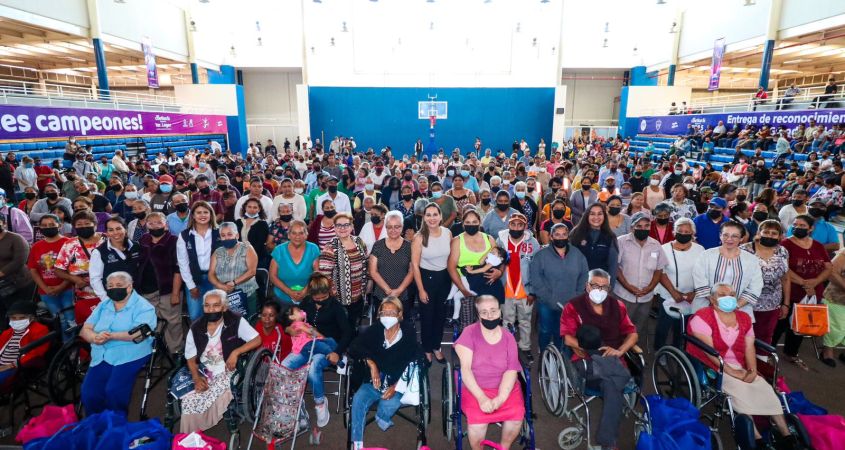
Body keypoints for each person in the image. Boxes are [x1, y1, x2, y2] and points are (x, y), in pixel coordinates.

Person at [687, 283, 803, 450]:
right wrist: (732, 372)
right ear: (712, 299)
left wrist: (752, 371)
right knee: (738, 390)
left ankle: (787, 436)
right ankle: (756, 439)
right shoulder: (702, 317)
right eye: (722, 294)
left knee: (764, 388)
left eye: (732, 294)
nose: (728, 297)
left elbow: (749, 347)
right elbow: (710, 352)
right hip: (715, 365)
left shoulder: (744, 318)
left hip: (739, 364)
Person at [560, 269, 639, 450]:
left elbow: (633, 334)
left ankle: (607, 441)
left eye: (604, 287)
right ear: (587, 286)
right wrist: (587, 349)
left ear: (609, 289)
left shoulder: (618, 306)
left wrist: (619, 351)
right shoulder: (573, 306)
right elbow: (568, 338)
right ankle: (608, 442)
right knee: (615, 382)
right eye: (595, 285)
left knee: (611, 384)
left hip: (614, 358)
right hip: (586, 359)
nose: (599, 290)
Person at [180, 289, 261, 433]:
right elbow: (190, 357)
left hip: (228, 369)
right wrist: (196, 377)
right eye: (207, 306)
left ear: (224, 307)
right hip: (203, 370)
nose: (211, 310)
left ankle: (198, 429)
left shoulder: (235, 321)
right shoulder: (196, 327)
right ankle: (190, 436)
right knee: (188, 399)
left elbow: (257, 339)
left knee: (210, 394)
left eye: (216, 305)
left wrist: (236, 352)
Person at [453, 295, 524, 450]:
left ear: (500, 312)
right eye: (484, 312)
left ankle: (504, 447)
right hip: (474, 386)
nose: (490, 315)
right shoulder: (469, 333)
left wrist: (501, 398)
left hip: (504, 386)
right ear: (478, 315)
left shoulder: (508, 337)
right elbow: (465, 370)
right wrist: (481, 397)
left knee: (516, 414)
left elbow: (511, 370)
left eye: (493, 310)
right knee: (478, 421)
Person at [348, 297, 421, 450]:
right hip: (374, 381)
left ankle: (382, 418)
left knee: (388, 405)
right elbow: (354, 347)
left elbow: (415, 361)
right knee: (358, 400)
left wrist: (396, 386)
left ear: (400, 314)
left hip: (398, 381)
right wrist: (371, 363)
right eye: (384, 312)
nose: (387, 316)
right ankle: (357, 445)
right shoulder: (375, 329)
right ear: (379, 314)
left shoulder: (408, 332)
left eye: (392, 312)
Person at [80, 271, 156, 415]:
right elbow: (85, 329)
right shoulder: (103, 305)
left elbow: (140, 333)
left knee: (113, 390)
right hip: (101, 353)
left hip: (130, 352)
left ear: (129, 287)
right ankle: (97, 422)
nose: (114, 288)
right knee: (89, 392)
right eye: (110, 286)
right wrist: (94, 338)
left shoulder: (143, 307)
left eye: (119, 285)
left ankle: (116, 422)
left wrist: (111, 336)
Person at [289, 272, 354, 427]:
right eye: (316, 298)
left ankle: (320, 403)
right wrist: (289, 329)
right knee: (286, 366)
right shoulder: (306, 302)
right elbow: (290, 319)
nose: (320, 301)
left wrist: (337, 352)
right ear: (311, 295)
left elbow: (348, 333)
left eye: (324, 297)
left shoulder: (336, 307)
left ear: (329, 292)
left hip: (327, 347)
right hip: (305, 344)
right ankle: (296, 404)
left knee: (313, 367)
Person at [773, 215, 831, 371]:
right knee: (780, 324)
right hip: (789, 292)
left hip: (812, 294)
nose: (797, 227)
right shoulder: (785, 244)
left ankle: (791, 353)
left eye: (802, 225)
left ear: (811, 228)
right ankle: (767, 353)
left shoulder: (818, 246)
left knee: (801, 325)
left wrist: (815, 282)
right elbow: (784, 268)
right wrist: (805, 283)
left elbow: (828, 267)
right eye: (795, 224)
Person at [529, 223, 589, 350]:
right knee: (545, 329)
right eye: (557, 234)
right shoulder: (541, 255)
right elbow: (535, 278)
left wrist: (577, 295)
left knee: (562, 331)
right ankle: (544, 353)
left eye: (564, 234)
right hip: (546, 302)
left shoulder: (577, 254)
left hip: (569, 302)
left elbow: (584, 274)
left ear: (568, 236)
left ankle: (559, 354)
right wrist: (547, 297)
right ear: (551, 237)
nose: (561, 237)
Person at [693, 221, 763, 321]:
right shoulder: (706, 255)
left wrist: (736, 306)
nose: (729, 239)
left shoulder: (752, 260)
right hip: (707, 308)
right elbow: (700, 281)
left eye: (735, 236)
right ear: (720, 236)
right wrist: (716, 304)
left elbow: (755, 286)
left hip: (739, 310)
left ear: (741, 238)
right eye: (725, 235)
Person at [614, 212, 668, 337]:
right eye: (639, 226)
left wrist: (650, 287)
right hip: (624, 296)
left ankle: (634, 348)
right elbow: (615, 267)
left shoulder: (656, 245)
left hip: (646, 297)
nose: (643, 229)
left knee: (638, 330)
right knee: (619, 328)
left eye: (646, 226)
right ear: (632, 227)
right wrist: (628, 286)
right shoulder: (621, 242)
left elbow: (659, 269)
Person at [654, 218, 704, 350]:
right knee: (663, 327)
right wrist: (673, 292)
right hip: (668, 295)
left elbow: (703, 273)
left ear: (693, 233)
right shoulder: (664, 249)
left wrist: (695, 293)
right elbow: (661, 272)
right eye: (680, 231)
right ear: (674, 232)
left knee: (681, 329)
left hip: (690, 297)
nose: (683, 233)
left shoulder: (700, 250)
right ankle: (659, 352)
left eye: (687, 232)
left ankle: (677, 352)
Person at [495, 212, 540, 361]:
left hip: (525, 291)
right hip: (506, 289)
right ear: (509, 225)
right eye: (513, 224)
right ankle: (507, 347)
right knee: (507, 321)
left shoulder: (532, 243)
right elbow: (495, 262)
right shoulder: (500, 241)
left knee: (525, 321)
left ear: (525, 226)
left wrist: (533, 291)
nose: (516, 227)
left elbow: (536, 269)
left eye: (519, 225)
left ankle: (525, 347)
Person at [412, 203, 453, 363]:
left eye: (435, 214)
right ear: (424, 217)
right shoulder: (419, 237)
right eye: (428, 215)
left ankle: (436, 347)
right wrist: (421, 290)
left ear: (441, 216)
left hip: (444, 279)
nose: (432, 218)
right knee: (427, 317)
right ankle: (427, 349)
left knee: (440, 316)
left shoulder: (447, 233)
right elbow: (415, 265)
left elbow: (451, 258)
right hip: (426, 279)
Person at [27, 214, 74, 339]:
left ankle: (75, 346)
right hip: (46, 292)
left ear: (60, 225)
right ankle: (66, 346)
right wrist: (45, 288)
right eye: (44, 225)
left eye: (52, 224)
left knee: (71, 319)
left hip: (68, 289)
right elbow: (33, 270)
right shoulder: (36, 246)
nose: (48, 227)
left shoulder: (68, 243)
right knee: (60, 320)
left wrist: (61, 286)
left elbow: (74, 269)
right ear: (39, 227)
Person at [54, 210, 104, 325]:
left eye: (87, 223)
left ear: (95, 224)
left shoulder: (107, 239)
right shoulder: (70, 244)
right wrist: (74, 278)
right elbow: (58, 270)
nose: (83, 227)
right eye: (79, 224)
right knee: (90, 325)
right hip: (85, 295)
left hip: (110, 291)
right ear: (74, 227)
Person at [176, 201, 221, 321]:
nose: (202, 215)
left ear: (211, 214)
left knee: (216, 314)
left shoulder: (219, 232)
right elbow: (183, 263)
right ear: (193, 216)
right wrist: (191, 286)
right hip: (194, 280)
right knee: (195, 316)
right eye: (199, 212)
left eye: (206, 212)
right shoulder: (184, 235)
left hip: (216, 279)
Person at [209, 222, 260, 317]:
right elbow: (211, 274)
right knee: (226, 322)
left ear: (237, 235)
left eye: (229, 234)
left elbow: (252, 271)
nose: (226, 238)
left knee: (248, 322)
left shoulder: (247, 248)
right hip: (223, 296)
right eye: (223, 235)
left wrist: (233, 283)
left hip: (247, 294)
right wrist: (220, 285)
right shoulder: (217, 252)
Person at [369, 211, 415, 314]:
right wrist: (388, 290)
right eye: (389, 227)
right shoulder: (378, 245)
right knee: (381, 323)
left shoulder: (409, 247)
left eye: (397, 227)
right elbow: (373, 271)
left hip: (403, 294)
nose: (393, 230)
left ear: (402, 227)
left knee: (402, 322)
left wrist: (399, 291)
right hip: (381, 294)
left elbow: (412, 271)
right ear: (385, 227)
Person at [88, 217, 141, 304]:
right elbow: (95, 279)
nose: (115, 232)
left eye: (118, 228)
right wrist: (106, 299)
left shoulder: (136, 246)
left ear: (125, 229)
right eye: (111, 230)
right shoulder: (99, 252)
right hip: (113, 299)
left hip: (137, 297)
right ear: (107, 233)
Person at [0, 301, 50, 389]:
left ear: (31, 318)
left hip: (17, 367)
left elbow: (36, 352)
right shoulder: (7, 333)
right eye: (13, 318)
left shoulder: (40, 330)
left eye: (21, 318)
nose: (17, 321)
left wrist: (12, 365)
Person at [270, 220, 320, 305]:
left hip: (307, 297)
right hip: (282, 298)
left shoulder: (313, 248)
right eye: (294, 233)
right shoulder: (279, 250)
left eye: (301, 233)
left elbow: (316, 274)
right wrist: (289, 292)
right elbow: (272, 276)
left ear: (306, 235)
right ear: (288, 235)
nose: (297, 236)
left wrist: (305, 291)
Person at [569, 203, 619, 284]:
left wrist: (609, 287)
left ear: (604, 216)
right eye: (592, 214)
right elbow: (569, 261)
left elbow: (613, 267)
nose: (596, 217)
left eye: (600, 214)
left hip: (600, 286)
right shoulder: (575, 234)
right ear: (587, 216)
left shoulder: (610, 237)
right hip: (578, 284)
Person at [235, 198, 271, 268]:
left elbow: (260, 243)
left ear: (259, 209)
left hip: (257, 257)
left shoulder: (263, 224)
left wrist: (248, 255)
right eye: (249, 207)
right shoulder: (238, 222)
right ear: (245, 208)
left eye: (255, 207)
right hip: (239, 256)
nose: (252, 209)